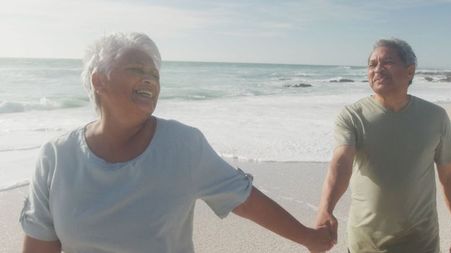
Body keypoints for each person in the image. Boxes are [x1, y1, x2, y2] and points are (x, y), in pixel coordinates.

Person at [20, 32, 333, 253]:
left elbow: (246, 199)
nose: (150, 81)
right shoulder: (58, 156)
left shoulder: (182, 145)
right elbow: (39, 244)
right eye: (136, 70)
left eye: (154, 75)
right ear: (98, 81)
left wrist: (309, 237)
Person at [315, 38, 451, 253]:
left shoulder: (435, 117)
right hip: (365, 243)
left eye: (387, 62)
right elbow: (341, 163)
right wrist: (326, 209)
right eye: (372, 64)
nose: (377, 69)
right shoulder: (352, 116)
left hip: (421, 243)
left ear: (410, 71)